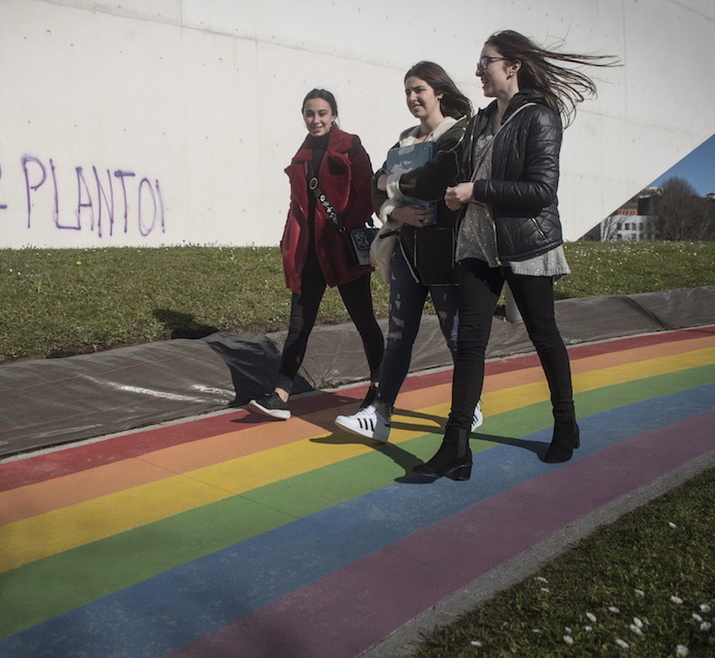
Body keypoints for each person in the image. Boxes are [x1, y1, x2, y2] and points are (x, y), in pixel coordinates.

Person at [412, 30, 618, 481]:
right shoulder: (483, 120)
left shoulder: (539, 117)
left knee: (544, 335)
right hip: (478, 244)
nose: (477, 70)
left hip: (527, 244)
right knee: (469, 345)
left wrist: (478, 190)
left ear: (512, 66)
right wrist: (455, 195)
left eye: (485, 61)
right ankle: (456, 447)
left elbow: (542, 191)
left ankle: (566, 423)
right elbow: (467, 174)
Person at [334, 61, 477, 443]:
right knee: (398, 334)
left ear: (439, 91)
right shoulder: (402, 143)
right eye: (408, 92)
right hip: (406, 252)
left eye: (419, 90)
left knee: (455, 334)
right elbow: (373, 190)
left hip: (447, 252)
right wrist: (396, 210)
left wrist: (389, 182)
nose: (413, 98)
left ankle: (469, 405)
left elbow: (434, 179)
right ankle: (380, 415)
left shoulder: (458, 135)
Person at [249, 89, 384, 420]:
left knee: (364, 320)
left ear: (334, 114)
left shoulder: (350, 146)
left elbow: (366, 196)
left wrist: (341, 230)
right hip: (311, 252)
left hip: (343, 249)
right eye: (310, 113)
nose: (316, 119)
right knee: (299, 323)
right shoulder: (303, 154)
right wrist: (290, 241)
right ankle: (280, 395)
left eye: (322, 113)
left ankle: (380, 388)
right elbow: (299, 205)